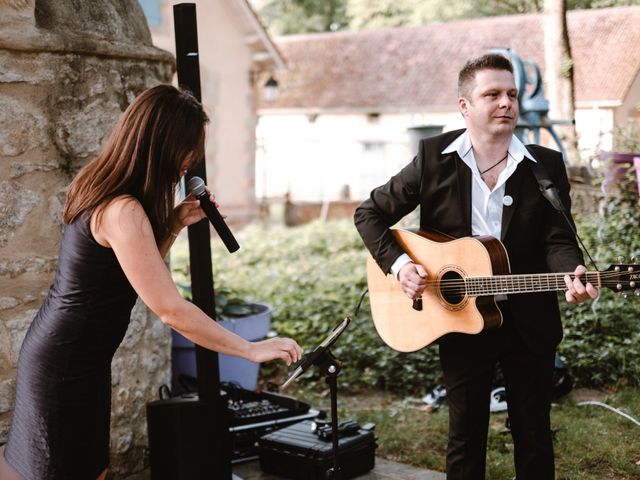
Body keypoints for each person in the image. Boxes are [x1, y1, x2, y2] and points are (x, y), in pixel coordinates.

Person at [0, 84, 303, 480]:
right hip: (65, 365)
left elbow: (125, 274)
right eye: (188, 151)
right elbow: (169, 308)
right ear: (162, 145)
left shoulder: (102, 186)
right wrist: (248, 349)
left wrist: (174, 223)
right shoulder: (122, 210)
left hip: (78, 359)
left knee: (82, 468)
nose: (190, 163)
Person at [354, 53, 598, 480]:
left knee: (534, 434)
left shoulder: (545, 165)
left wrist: (573, 271)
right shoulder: (434, 159)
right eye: (492, 94)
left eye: (511, 94)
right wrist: (400, 265)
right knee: (465, 437)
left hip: (528, 318)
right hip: (460, 316)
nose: (506, 103)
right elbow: (369, 214)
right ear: (465, 106)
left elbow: (558, 238)